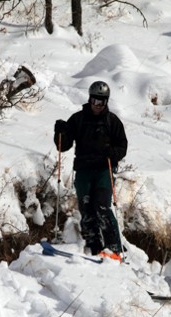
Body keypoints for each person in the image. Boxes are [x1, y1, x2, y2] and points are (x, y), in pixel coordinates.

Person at [54, 81, 128, 258]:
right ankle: (94, 247)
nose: (97, 106)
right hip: (84, 170)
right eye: (94, 101)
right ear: (89, 99)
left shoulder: (112, 122)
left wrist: (113, 152)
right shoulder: (78, 119)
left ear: (106, 102)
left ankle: (114, 248)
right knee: (86, 208)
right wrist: (60, 133)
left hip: (104, 169)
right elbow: (63, 146)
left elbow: (122, 146)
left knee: (102, 205)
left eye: (101, 102)